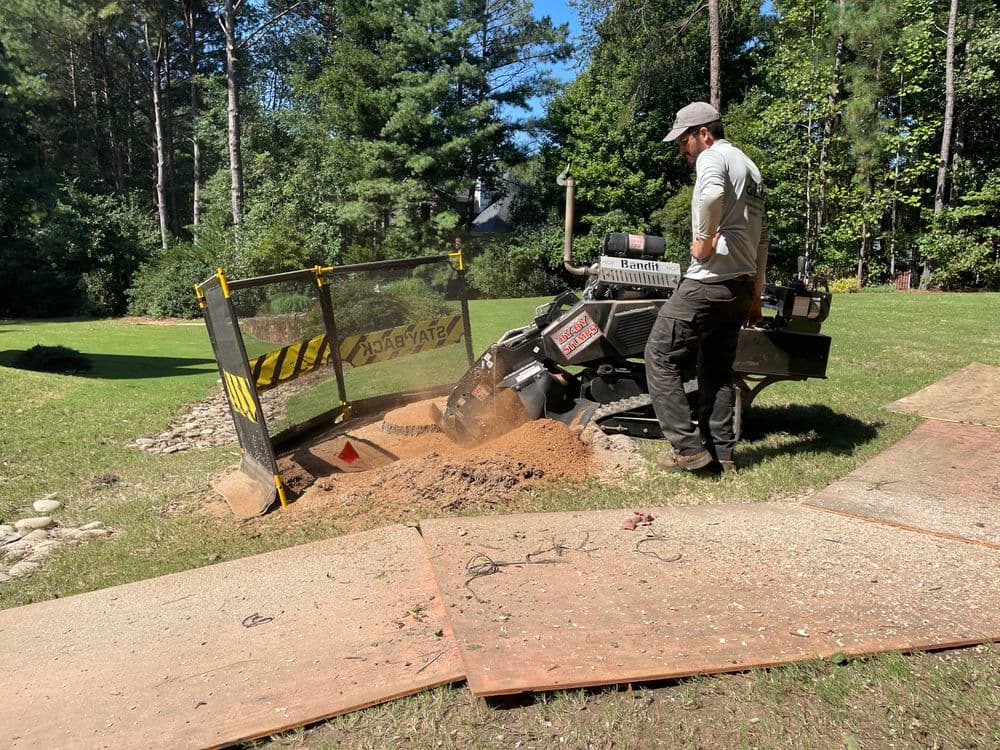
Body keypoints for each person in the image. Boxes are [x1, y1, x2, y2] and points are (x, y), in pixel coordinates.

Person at [644, 101, 768, 473]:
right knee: (716, 369)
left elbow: (711, 195)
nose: (682, 148)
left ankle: (686, 449)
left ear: (704, 134)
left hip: (710, 281)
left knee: (659, 354)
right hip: (740, 285)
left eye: (684, 140)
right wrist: (757, 295)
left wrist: (702, 238)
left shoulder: (712, 158)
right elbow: (763, 237)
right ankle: (722, 455)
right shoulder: (751, 168)